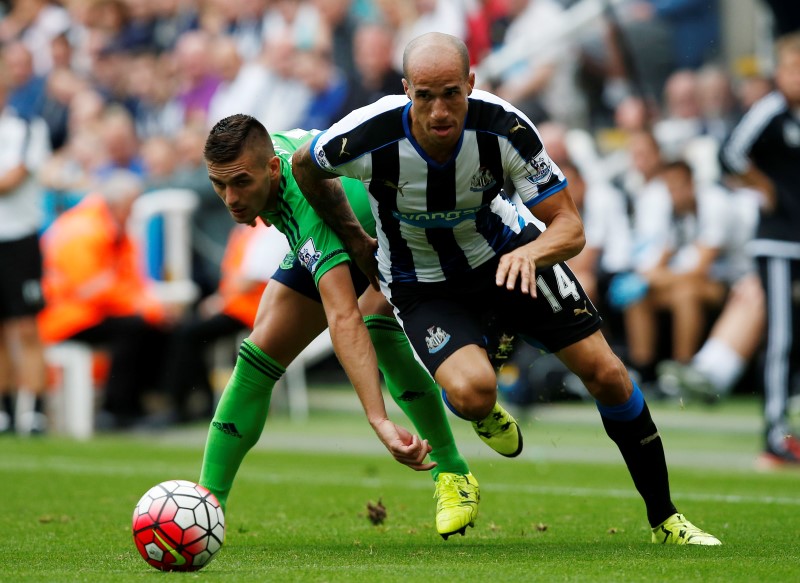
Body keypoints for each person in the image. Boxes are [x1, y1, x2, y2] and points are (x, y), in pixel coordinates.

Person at [292, 31, 720, 545]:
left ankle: (665, 519)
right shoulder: (367, 134)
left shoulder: (505, 126)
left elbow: (570, 227)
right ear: (405, 89)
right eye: (424, 95)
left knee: (609, 375)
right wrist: (356, 239)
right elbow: (304, 166)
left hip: (507, 258)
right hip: (422, 282)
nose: (439, 110)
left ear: (472, 83)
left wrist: (531, 252)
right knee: (473, 394)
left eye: (452, 92)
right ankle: (483, 393)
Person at [201, 118, 524, 539]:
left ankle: (452, 471)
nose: (230, 198)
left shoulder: (303, 206)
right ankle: (206, 503)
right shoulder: (269, 159)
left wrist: (378, 420)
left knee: (373, 325)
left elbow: (343, 317)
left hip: (404, 232)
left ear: (273, 170)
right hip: (339, 229)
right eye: (218, 184)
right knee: (259, 353)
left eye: (240, 183)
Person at [719, 32, 800, 466]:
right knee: (782, 337)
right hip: (779, 240)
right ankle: (773, 431)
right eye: (792, 68)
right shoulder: (771, 111)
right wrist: (762, 186)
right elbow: (728, 154)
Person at [37, 171, 170, 430]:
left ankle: (138, 404)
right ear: (120, 203)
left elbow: (131, 280)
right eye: (131, 206)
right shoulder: (82, 230)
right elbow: (90, 288)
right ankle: (116, 410)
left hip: (92, 313)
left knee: (152, 326)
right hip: (65, 317)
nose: (133, 213)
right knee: (133, 331)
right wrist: (141, 306)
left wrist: (151, 307)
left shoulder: (112, 228)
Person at [0, 72, 51, 435]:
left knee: (25, 326)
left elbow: (12, 178)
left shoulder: (26, 127)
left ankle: (33, 411)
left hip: (18, 239)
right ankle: (3, 411)